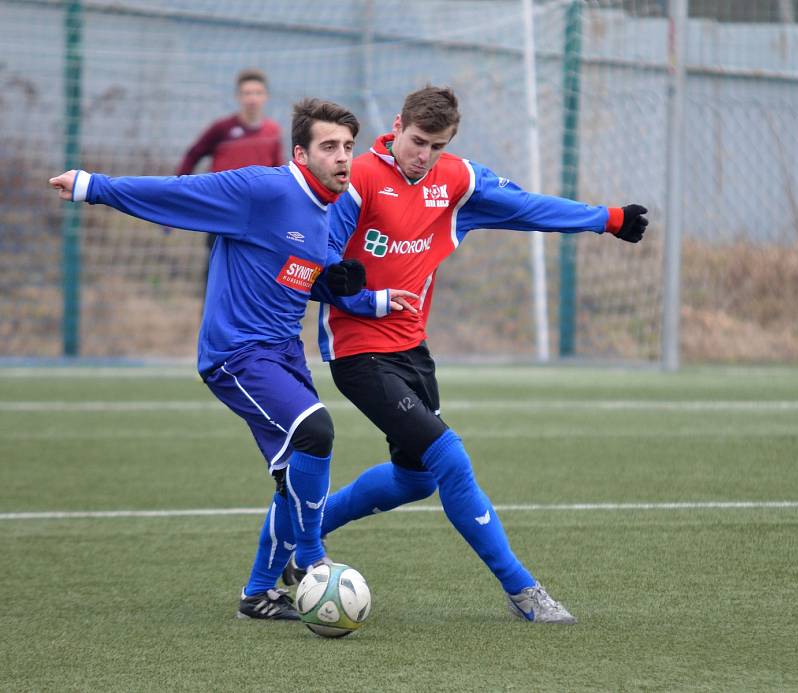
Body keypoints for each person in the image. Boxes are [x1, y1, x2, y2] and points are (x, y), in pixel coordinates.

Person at [285, 85, 649, 625]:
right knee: (450, 456)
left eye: (436, 145)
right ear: (397, 126)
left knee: (416, 479)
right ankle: (523, 590)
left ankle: (300, 543)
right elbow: (317, 267)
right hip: (358, 354)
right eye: (416, 141)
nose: (423, 155)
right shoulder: (358, 177)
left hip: (413, 350)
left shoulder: (456, 179)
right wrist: (361, 294)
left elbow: (525, 207)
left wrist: (607, 219)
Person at [49, 98, 413, 621]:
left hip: (284, 353)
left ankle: (259, 594)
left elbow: (304, 276)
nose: (342, 158)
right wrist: (92, 187)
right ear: (301, 154)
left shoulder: (323, 211)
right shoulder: (261, 189)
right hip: (237, 354)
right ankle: (311, 557)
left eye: (348, 148)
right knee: (316, 431)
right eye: (329, 147)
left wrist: (365, 297)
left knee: (296, 470)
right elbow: (178, 195)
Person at [176, 68, 284, 276]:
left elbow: (277, 172)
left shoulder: (272, 131)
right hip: (221, 209)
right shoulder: (222, 129)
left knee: (250, 270)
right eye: (247, 93)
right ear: (238, 96)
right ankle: (211, 309)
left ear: (266, 97)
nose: (252, 99)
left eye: (257, 93)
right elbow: (193, 154)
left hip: (256, 213)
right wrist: (181, 190)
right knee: (216, 268)